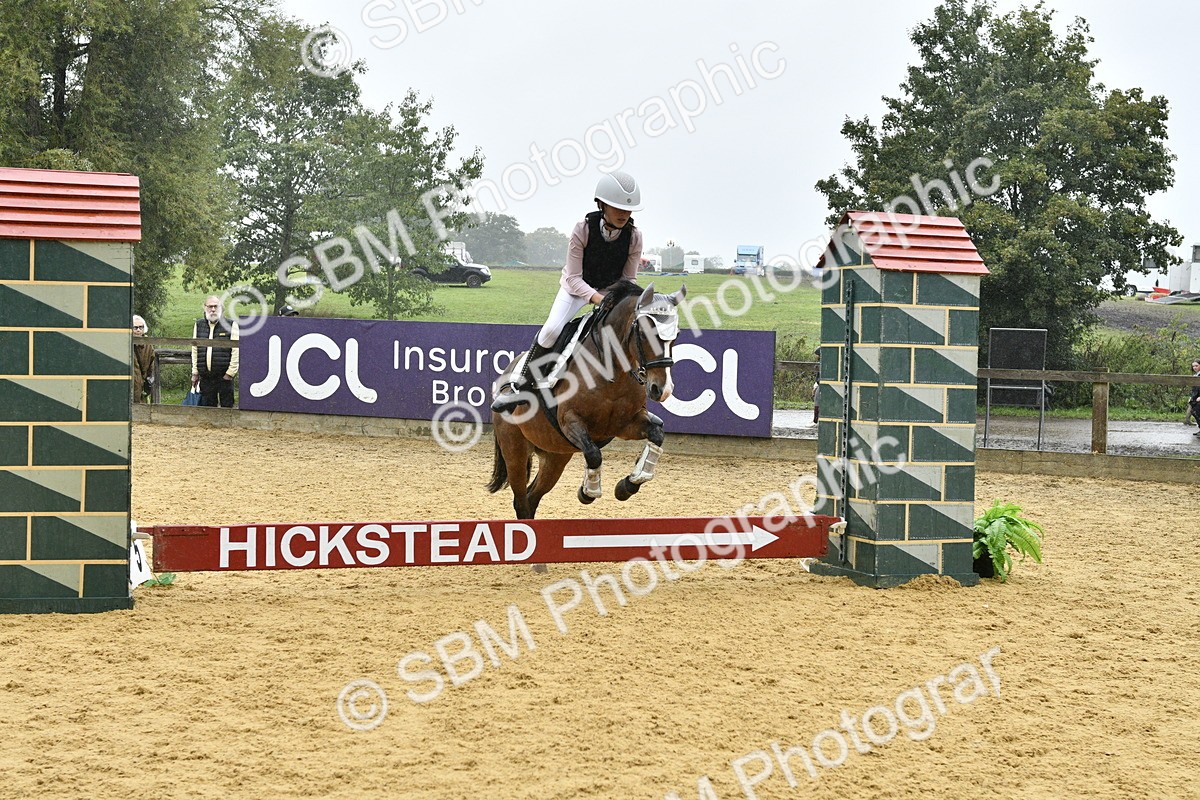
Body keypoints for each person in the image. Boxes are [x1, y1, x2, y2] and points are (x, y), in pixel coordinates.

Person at [491, 171, 644, 413]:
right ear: (602, 204)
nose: (623, 214)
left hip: (610, 292)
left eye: (628, 209)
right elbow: (573, 278)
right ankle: (519, 387)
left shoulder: (634, 237)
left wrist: (618, 301)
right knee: (551, 330)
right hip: (576, 288)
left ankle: (639, 395)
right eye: (617, 207)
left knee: (630, 331)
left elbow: (628, 279)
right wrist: (597, 298)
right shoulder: (582, 229)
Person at [191, 296, 239, 408]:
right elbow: (195, 349)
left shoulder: (231, 325)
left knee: (227, 409)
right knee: (207, 409)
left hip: (224, 376)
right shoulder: (198, 325)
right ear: (205, 308)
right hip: (206, 377)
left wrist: (230, 373)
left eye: (215, 306)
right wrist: (195, 372)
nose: (213, 309)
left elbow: (236, 350)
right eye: (210, 306)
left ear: (221, 308)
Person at [132, 315, 155, 403]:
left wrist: (149, 379)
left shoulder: (148, 345)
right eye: (135, 327)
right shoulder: (126, 344)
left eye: (141, 327)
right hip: (131, 384)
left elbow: (152, 364)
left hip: (141, 383)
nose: (138, 330)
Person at [1188, 358, 1200, 437]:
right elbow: (1194, 389)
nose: (1195, 367)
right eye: (1193, 366)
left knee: (1197, 412)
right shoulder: (1195, 375)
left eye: (1196, 366)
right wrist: (1191, 397)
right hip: (1195, 397)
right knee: (1194, 412)